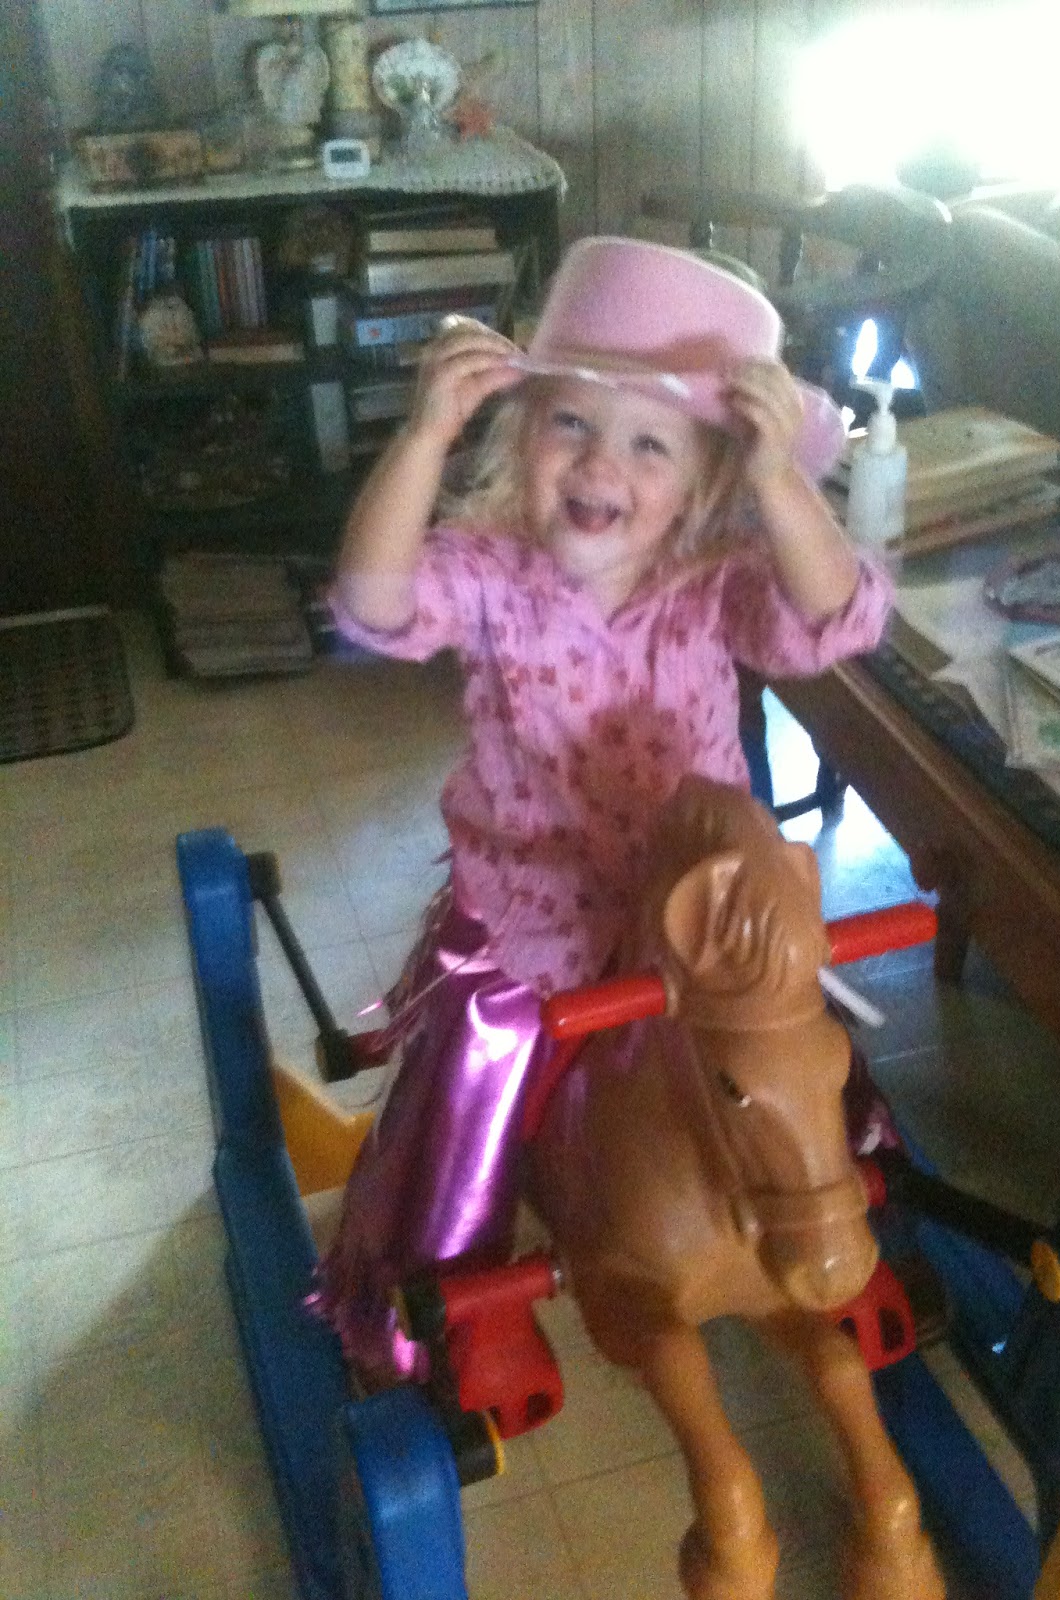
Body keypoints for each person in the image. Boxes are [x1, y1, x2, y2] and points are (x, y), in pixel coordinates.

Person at [313, 236, 894, 1374]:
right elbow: (373, 604)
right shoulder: (487, 570)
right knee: (479, 1082)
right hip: (534, 913)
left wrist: (780, 479)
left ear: (704, 481)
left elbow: (839, 620)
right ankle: (436, 1286)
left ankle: (834, 1195)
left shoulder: (715, 581)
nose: (599, 463)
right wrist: (424, 437)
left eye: (648, 443)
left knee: (785, 1048)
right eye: (570, 423)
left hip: (703, 911)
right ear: (522, 436)